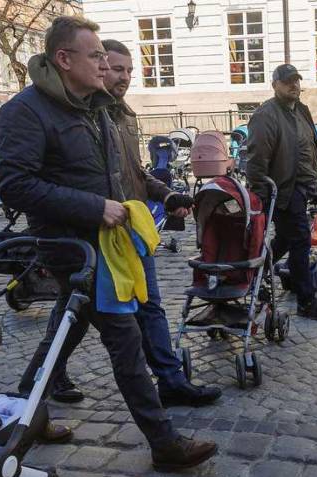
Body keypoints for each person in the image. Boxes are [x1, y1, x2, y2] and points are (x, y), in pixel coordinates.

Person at [0, 15, 217, 470]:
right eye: (95, 55)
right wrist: (94, 208)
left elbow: (126, 173)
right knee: (124, 338)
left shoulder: (98, 108)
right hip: (75, 248)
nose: (104, 64)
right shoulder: (25, 110)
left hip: (115, 242)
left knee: (67, 328)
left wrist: (160, 196)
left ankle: (23, 412)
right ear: (64, 58)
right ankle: (164, 443)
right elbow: (15, 185)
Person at [97, 38, 223, 407]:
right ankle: (40, 380)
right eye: (116, 69)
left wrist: (166, 195)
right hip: (98, 233)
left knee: (150, 305)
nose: (124, 77)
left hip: (130, 228)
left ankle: (170, 381)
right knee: (76, 316)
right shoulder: (89, 115)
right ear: (99, 67)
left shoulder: (123, 113)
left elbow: (134, 173)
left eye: (129, 70)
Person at [246, 64, 317, 321]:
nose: (294, 85)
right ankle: (306, 300)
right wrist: (263, 195)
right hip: (283, 189)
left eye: (296, 80)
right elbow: (256, 160)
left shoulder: (301, 110)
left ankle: (255, 273)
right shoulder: (266, 115)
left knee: (284, 239)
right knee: (300, 240)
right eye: (287, 82)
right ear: (275, 85)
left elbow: (311, 149)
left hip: (302, 187)